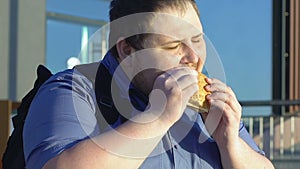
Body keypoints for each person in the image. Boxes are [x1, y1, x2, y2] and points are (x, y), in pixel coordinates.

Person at [23, 0, 275, 168]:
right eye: (173, 46)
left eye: (197, 40)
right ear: (128, 51)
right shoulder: (73, 92)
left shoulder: (207, 108)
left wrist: (230, 142)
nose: (194, 58)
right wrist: (157, 118)